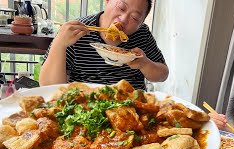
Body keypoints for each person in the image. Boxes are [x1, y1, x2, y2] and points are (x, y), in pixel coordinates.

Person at [39, 0, 169, 90]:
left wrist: (144, 64)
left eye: (134, 18)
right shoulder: (78, 31)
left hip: (130, 110)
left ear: (140, 24)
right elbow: (48, 86)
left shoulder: (142, 34)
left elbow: (163, 75)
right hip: (84, 109)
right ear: (108, 1)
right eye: (121, 8)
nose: (123, 19)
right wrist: (59, 44)